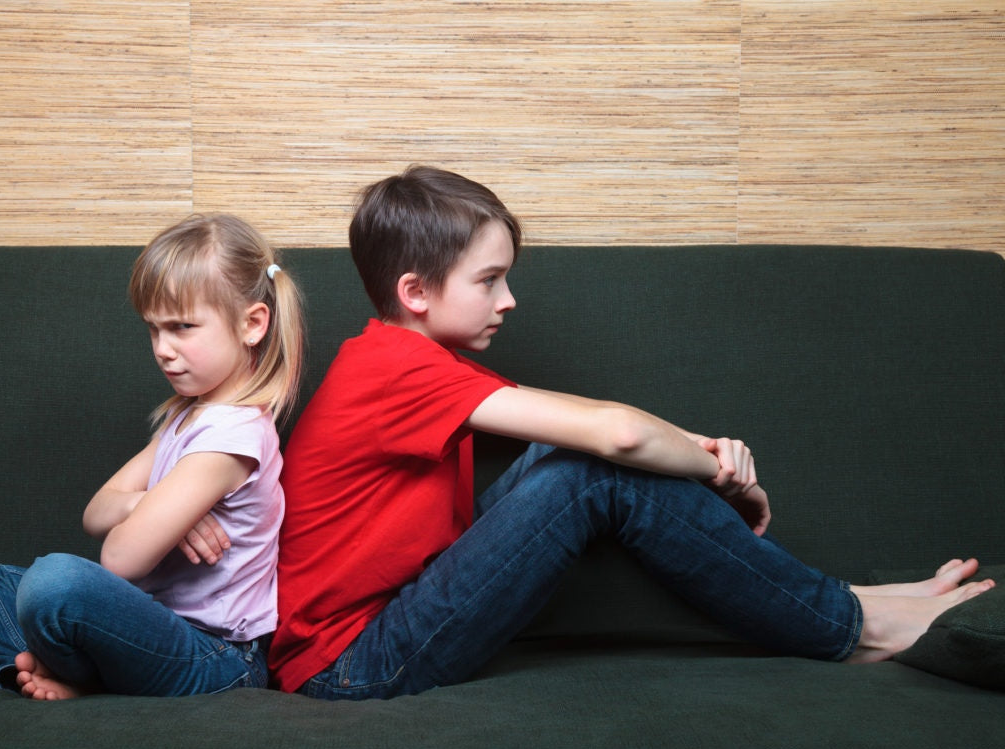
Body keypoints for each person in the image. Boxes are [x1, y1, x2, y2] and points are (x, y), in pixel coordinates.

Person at [265, 165, 994, 700]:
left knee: (566, 454)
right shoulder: (395, 369)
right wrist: (712, 468)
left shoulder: (407, 361)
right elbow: (615, 435)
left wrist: (697, 447)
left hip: (391, 620)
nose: (509, 300)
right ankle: (854, 624)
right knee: (595, 469)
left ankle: (846, 602)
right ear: (416, 292)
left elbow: (594, 429)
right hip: (352, 664)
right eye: (489, 281)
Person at [0, 213, 304, 700]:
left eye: (182, 327)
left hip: (217, 656)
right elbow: (96, 511)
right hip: (153, 625)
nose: (163, 350)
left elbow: (119, 557)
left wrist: (149, 508)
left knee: (54, 581)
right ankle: (59, 671)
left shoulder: (232, 436)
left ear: (252, 324)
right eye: (153, 330)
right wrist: (152, 507)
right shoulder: (186, 417)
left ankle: (69, 672)